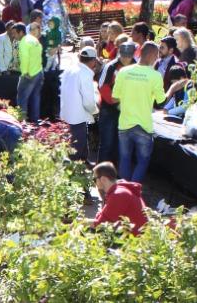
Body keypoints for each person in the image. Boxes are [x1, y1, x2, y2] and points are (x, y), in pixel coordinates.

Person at [115, 41, 177, 182]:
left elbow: (115, 97)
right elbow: (161, 101)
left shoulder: (123, 72)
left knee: (124, 158)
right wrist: (172, 89)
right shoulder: (155, 76)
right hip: (144, 125)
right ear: (153, 55)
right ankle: (133, 192)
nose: (157, 58)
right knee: (142, 161)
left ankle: (124, 191)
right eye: (157, 55)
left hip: (125, 123)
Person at [60, 47, 100, 161]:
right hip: (78, 118)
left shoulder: (70, 69)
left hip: (66, 115)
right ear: (93, 61)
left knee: (73, 147)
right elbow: (88, 102)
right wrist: (95, 111)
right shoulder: (85, 74)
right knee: (76, 151)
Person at [91, 162, 147, 234]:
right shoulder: (118, 189)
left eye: (94, 179)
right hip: (134, 235)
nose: (94, 182)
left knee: (89, 232)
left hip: (136, 240)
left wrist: (79, 222)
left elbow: (100, 224)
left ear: (103, 179)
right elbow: (103, 216)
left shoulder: (118, 194)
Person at [16, 21, 44, 121]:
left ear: (21, 32)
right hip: (39, 72)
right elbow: (40, 50)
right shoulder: (34, 39)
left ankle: (22, 123)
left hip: (29, 74)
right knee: (36, 98)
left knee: (22, 98)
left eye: (15, 33)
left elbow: (25, 58)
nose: (14, 36)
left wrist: (24, 72)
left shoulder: (23, 42)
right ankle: (35, 121)